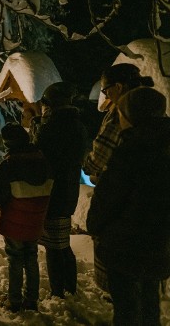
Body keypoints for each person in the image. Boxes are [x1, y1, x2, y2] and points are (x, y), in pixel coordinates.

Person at [87, 87, 170, 326]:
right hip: (158, 244)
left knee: (127, 309)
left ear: (132, 116)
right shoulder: (163, 145)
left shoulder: (131, 150)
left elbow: (108, 199)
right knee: (149, 302)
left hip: (125, 245)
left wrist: (96, 227)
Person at [82, 63, 154, 293]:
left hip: (121, 211)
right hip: (150, 218)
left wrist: (92, 168)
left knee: (121, 288)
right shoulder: (154, 112)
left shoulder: (121, 114)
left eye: (106, 90)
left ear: (119, 87)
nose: (105, 96)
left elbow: (98, 158)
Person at [31, 82, 88, 298]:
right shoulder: (77, 125)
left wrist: (36, 126)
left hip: (53, 191)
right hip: (69, 189)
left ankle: (58, 291)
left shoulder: (52, 127)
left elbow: (38, 151)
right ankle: (69, 286)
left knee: (54, 246)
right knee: (62, 243)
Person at [0, 123, 53, 313]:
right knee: (31, 257)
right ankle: (32, 299)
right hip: (36, 221)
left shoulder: (10, 164)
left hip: (14, 220)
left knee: (15, 259)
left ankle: (14, 300)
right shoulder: (43, 160)